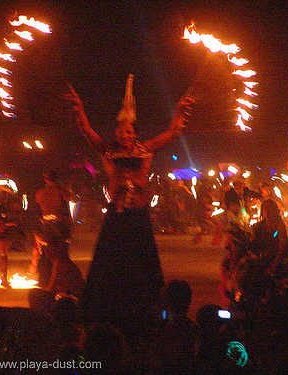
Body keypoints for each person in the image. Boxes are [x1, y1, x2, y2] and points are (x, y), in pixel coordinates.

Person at [65, 74, 194, 339]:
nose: (126, 135)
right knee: (109, 266)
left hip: (138, 216)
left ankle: (147, 311)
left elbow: (172, 133)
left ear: (135, 133)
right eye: (122, 131)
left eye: (130, 131)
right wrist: (80, 110)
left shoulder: (145, 150)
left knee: (142, 267)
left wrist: (179, 110)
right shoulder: (108, 151)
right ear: (116, 132)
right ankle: (103, 313)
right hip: (116, 215)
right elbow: (86, 131)